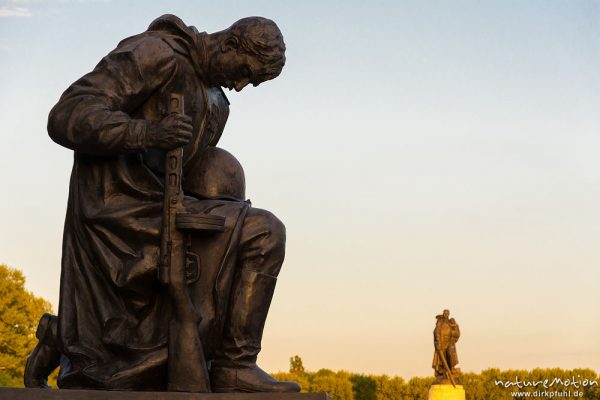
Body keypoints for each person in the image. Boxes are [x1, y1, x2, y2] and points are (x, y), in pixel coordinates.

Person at [24, 14, 299, 393]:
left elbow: (194, 170)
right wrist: (147, 133)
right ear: (232, 44)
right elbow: (67, 116)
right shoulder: (155, 53)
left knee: (261, 232)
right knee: (261, 231)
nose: (240, 86)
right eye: (244, 73)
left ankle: (235, 364)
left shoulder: (218, 101)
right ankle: (72, 337)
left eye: (250, 83)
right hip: (115, 211)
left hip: (169, 206)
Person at [432, 309, 460, 383]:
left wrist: (455, 330)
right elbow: (436, 331)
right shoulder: (440, 321)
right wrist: (438, 341)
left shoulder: (451, 322)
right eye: (445, 313)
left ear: (449, 314)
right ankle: (443, 373)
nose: (446, 314)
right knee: (442, 360)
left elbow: (457, 333)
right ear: (443, 313)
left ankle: (451, 370)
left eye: (447, 313)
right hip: (442, 343)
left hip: (449, 343)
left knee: (450, 356)